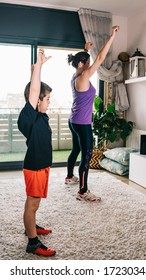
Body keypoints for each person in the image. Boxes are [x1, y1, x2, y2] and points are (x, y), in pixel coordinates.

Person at [65, 25, 120, 202]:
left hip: (73, 120)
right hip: (82, 123)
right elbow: (101, 57)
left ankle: (69, 177)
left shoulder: (75, 75)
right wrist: (112, 36)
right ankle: (83, 191)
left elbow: (81, 61)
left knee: (76, 150)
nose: (90, 65)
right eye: (87, 63)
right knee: (87, 156)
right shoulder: (83, 77)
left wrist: (85, 51)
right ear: (82, 64)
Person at [17, 49, 56, 257]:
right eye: (47, 98)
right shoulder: (29, 118)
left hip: (42, 166)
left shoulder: (41, 117)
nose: (49, 102)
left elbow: (33, 89)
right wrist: (39, 66)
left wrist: (34, 70)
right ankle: (32, 242)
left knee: (34, 202)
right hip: (34, 168)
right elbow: (33, 91)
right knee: (32, 204)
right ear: (37, 101)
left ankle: (30, 226)